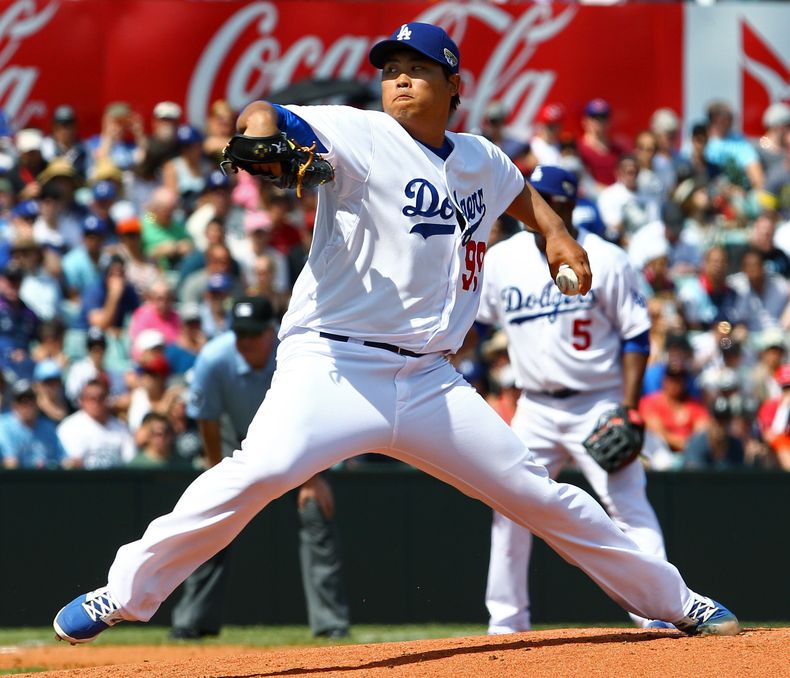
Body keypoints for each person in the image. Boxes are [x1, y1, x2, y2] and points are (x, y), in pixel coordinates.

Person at [52, 22, 738, 645]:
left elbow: (518, 190)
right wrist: (262, 131)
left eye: (417, 67)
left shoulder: (479, 158)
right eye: (390, 69)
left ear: (454, 86)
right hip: (333, 364)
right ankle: (122, 593)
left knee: (537, 492)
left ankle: (675, 601)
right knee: (259, 469)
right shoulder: (359, 134)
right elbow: (265, 116)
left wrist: (555, 231)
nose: (399, 78)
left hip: (431, 379)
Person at [477, 166, 667, 633]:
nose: (536, 205)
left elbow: (636, 336)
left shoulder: (606, 256)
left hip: (596, 402)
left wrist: (627, 406)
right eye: (532, 196)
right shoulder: (502, 259)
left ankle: (659, 613)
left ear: (568, 202)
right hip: (535, 407)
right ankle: (506, 623)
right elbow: (477, 326)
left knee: (628, 508)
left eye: (547, 198)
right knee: (510, 508)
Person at [169, 296, 350, 639]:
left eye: (253, 333)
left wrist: (313, 478)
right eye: (239, 333)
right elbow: (207, 421)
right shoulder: (215, 358)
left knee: (315, 512)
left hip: (296, 441)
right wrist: (214, 472)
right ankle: (191, 621)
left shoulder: (296, 356)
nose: (245, 341)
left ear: (272, 331)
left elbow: (315, 416)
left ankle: (331, 624)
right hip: (233, 439)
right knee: (210, 516)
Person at [57, 378, 134, 469]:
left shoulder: (120, 427)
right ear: (82, 400)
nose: (96, 402)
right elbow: (73, 464)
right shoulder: (69, 427)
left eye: (101, 397)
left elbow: (130, 461)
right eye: (91, 398)